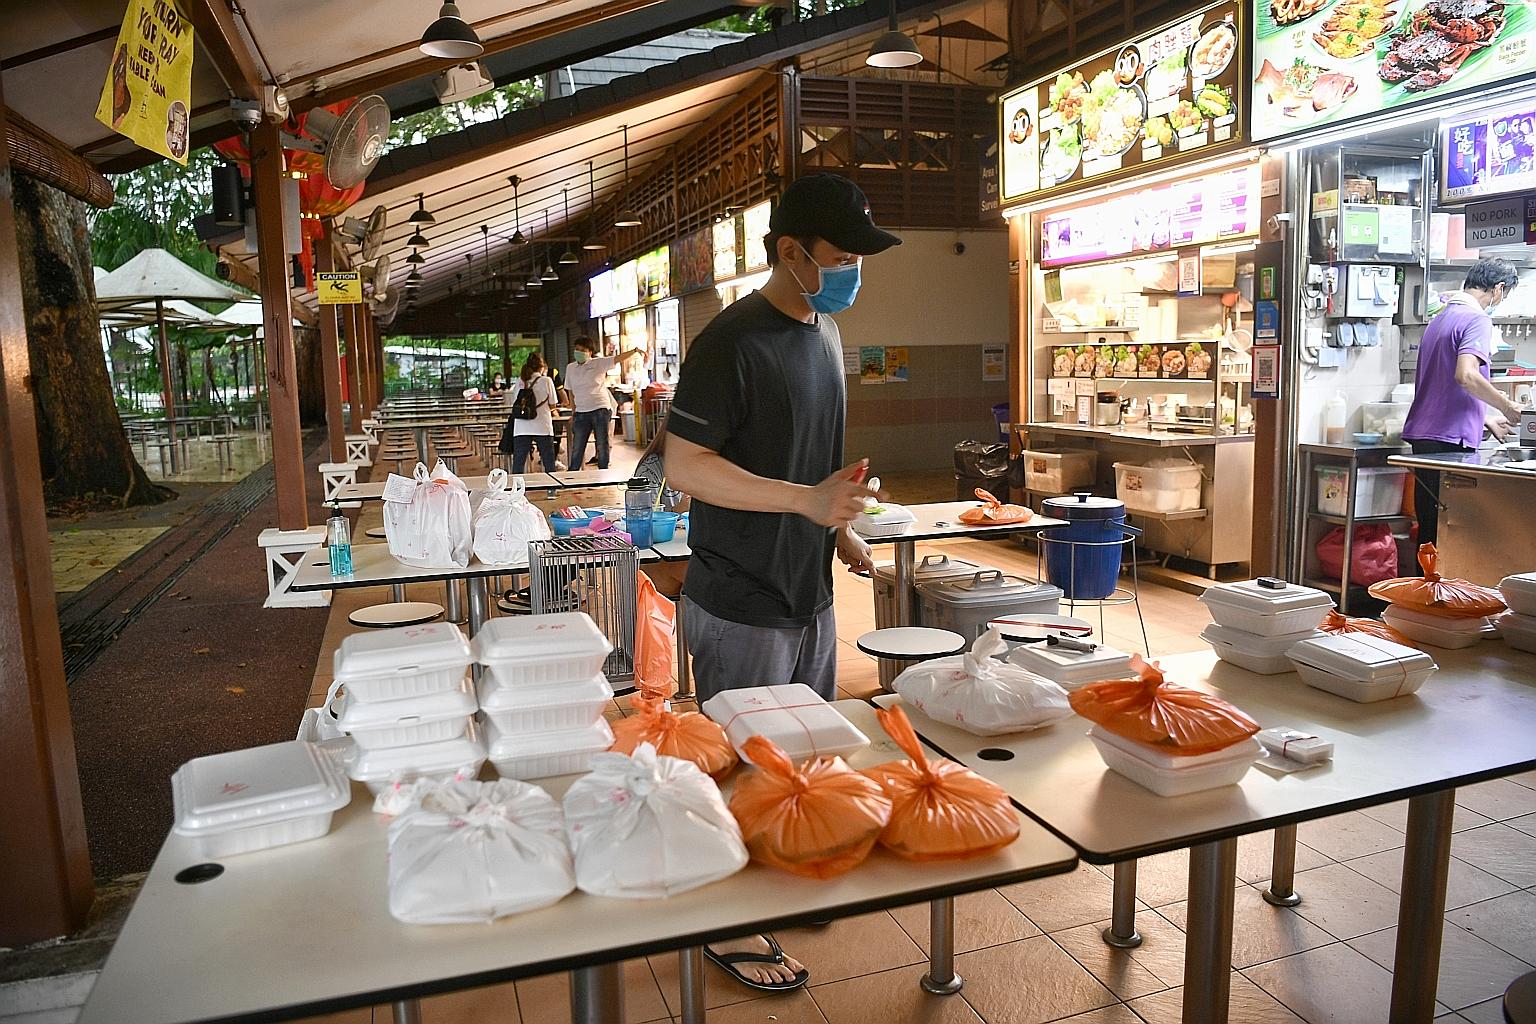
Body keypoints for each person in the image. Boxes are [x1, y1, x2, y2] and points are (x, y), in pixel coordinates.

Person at [663, 173, 900, 992]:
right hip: (739, 601)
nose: (850, 274)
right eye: (839, 258)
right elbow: (685, 466)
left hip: (810, 597)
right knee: (744, 768)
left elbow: (813, 458)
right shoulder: (732, 341)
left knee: (805, 762)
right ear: (790, 252)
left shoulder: (825, 332)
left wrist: (837, 526)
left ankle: (785, 871)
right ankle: (731, 926)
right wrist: (804, 502)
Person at [1403, 257, 1522, 548]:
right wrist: (1506, 406)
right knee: (1450, 532)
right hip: (1450, 442)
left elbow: (1440, 383)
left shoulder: (1441, 319)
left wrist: (1485, 417)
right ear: (1498, 289)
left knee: (1430, 529)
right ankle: (1442, 593)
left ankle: (1429, 592)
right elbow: (1466, 375)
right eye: (1503, 296)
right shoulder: (1477, 319)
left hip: (1425, 436)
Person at [564, 336, 646, 470]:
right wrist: (574, 412)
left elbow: (617, 358)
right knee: (577, 446)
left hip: (599, 409)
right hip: (581, 412)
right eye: (576, 349)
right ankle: (573, 473)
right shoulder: (570, 368)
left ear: (590, 352)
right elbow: (570, 392)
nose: (578, 352)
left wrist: (634, 351)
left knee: (602, 444)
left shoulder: (598, 363)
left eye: (582, 350)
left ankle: (603, 472)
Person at [500, 353, 559, 474]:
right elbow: (553, 404)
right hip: (542, 426)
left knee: (519, 463)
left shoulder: (520, 382)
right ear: (542, 367)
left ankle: (517, 490)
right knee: (548, 461)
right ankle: (552, 490)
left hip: (521, 427)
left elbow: (514, 403)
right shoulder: (546, 381)